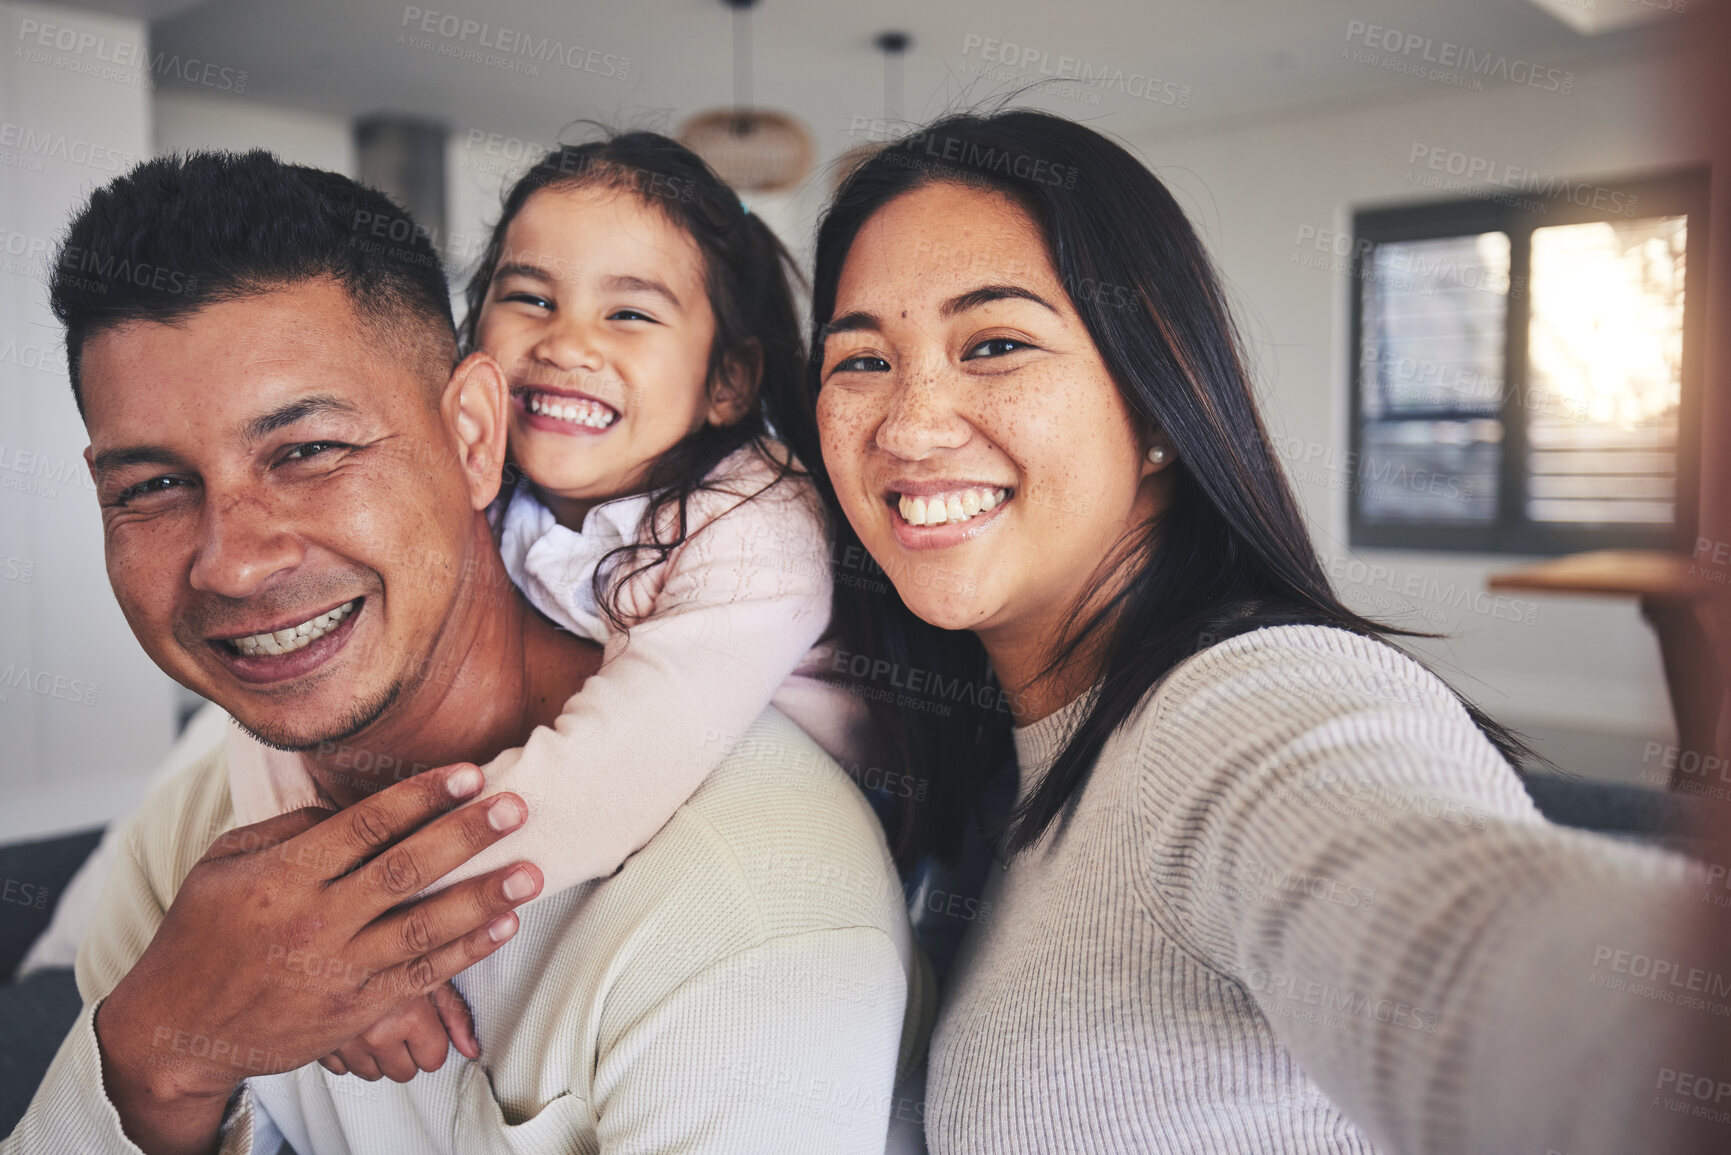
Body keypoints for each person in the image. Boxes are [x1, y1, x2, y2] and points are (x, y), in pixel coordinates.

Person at [793, 109, 1713, 1154]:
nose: (910, 426)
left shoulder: (1249, 706)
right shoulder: (977, 754)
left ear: (1156, 401)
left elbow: (1485, 957)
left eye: (995, 343)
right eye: (860, 360)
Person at [3, 150, 920, 1155]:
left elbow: (629, 759)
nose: (233, 564)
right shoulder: (193, 842)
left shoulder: (753, 905)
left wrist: (363, 931)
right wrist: (144, 1062)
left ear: (472, 435)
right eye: (151, 487)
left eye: (309, 451)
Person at [218, 131, 875, 1080]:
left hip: (806, 864)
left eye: (630, 315)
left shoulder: (755, 527)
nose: (568, 343)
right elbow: (299, 685)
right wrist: (293, 891)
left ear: (727, 380)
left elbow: (596, 789)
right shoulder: (476, 478)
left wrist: (354, 936)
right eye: (529, 297)